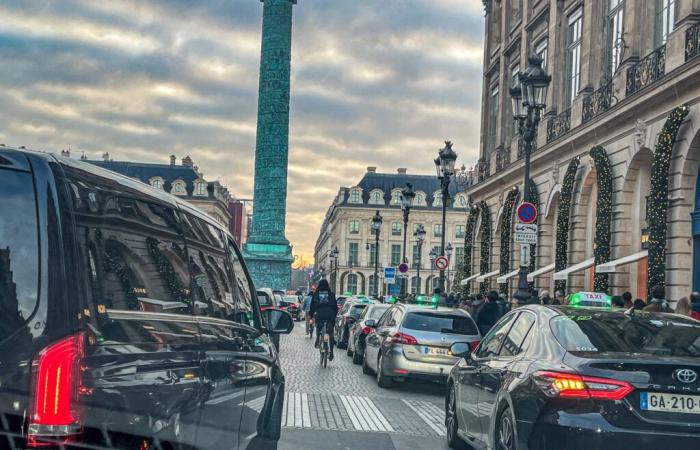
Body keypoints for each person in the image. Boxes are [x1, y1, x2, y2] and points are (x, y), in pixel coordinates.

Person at [309, 279, 338, 360]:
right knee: (331, 333)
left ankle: (318, 339)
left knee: (318, 326)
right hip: (330, 314)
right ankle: (331, 352)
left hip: (320, 314)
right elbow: (335, 307)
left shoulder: (316, 294)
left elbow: (312, 307)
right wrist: (334, 316)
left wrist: (311, 315)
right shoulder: (331, 294)